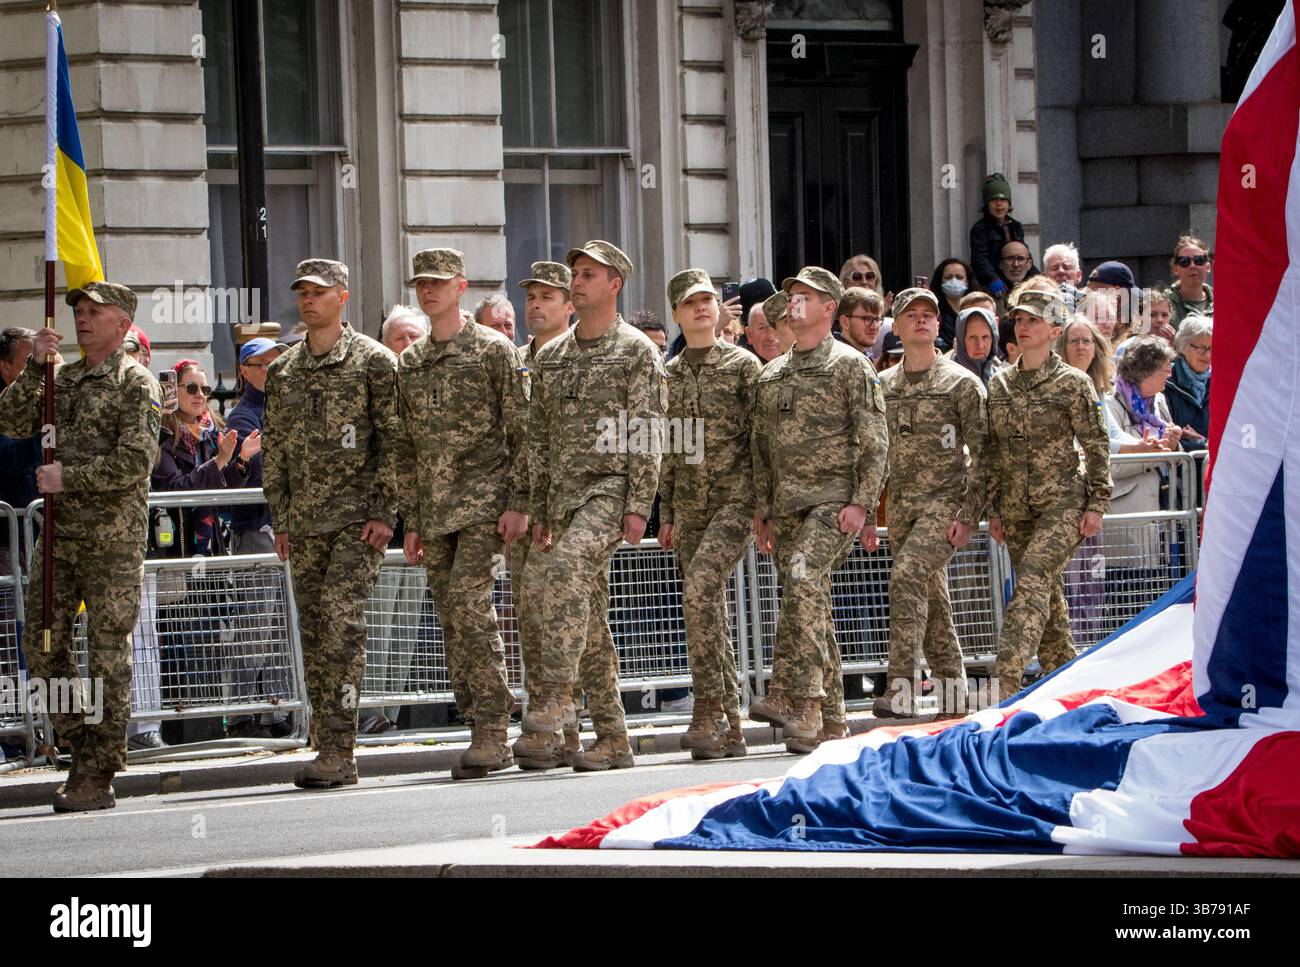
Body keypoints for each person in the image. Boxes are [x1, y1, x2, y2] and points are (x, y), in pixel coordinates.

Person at [0, 282, 162, 811]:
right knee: (42, 646)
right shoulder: (62, 378)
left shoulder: (136, 383)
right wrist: (33, 368)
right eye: (79, 312)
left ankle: (98, 771)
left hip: (112, 539)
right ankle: (79, 739)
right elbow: (9, 419)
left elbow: (136, 462)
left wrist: (68, 477)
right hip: (62, 535)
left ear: (122, 323)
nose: (83, 319)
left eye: (96, 312)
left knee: (109, 654)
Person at [521, 240, 664, 772]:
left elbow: (649, 433)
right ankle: (611, 736)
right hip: (562, 499)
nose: (576, 281)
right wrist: (538, 509)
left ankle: (556, 698)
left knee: (567, 568)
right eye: (575, 273)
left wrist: (639, 505)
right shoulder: (552, 356)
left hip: (610, 491)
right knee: (589, 617)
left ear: (614, 285)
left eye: (588, 274)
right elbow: (539, 438)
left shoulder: (636, 351)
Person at [262, 259, 401, 789]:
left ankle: (339, 748)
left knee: (341, 625)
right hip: (304, 524)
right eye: (301, 292)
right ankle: (328, 738)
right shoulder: (284, 370)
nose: (307, 300)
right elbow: (273, 452)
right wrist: (281, 517)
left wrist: (385, 511)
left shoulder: (374, 362)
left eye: (318, 292)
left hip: (356, 521)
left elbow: (393, 443)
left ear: (342, 297)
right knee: (315, 631)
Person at [396, 248, 526, 779]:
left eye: (438, 282)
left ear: (461, 287)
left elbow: (522, 431)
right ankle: (478, 720)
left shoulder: (494, 351)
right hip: (436, 508)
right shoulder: (412, 360)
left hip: (483, 503)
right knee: (452, 618)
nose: (428, 291)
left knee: (472, 606)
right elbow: (405, 446)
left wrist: (519, 501)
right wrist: (413, 518)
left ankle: (494, 728)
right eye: (421, 283)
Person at [750, 266, 888, 753]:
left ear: (830, 309)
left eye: (806, 296)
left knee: (803, 580)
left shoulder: (851, 366)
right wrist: (763, 510)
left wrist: (862, 504)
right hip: (787, 507)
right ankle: (833, 720)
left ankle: (801, 701)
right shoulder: (773, 373)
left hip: (833, 504)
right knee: (812, 605)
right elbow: (761, 447)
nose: (795, 303)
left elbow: (874, 442)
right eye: (792, 296)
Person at [986, 288, 1111, 702]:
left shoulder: (1073, 384)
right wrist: (997, 509)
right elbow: (994, 453)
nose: (1022, 327)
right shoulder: (1000, 384)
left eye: (1033, 321)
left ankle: (1004, 681)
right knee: (1047, 597)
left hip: (1063, 505)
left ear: (1054, 329)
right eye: (1019, 320)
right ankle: (1065, 684)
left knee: (1035, 579)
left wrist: (1096, 503)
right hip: (1019, 508)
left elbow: (1096, 445)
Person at [657, 269, 760, 759]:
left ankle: (707, 709)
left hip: (736, 501)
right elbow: (670, 450)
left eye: (707, 300)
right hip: (692, 507)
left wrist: (765, 505)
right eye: (690, 302)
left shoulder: (743, 367)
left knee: (700, 587)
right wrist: (670, 511)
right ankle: (730, 725)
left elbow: (762, 441)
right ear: (677, 314)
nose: (701, 307)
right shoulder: (668, 375)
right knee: (704, 606)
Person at [873, 288, 987, 718]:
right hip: (902, 509)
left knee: (906, 577)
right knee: (932, 601)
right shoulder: (883, 385)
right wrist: (868, 512)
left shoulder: (961, 383)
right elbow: (876, 455)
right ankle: (954, 696)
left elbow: (984, 455)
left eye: (929, 315)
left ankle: (900, 689)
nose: (921, 321)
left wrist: (969, 514)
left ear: (938, 326)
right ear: (897, 326)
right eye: (911, 315)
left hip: (945, 505)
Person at [508, 260, 590, 768]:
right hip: (523, 509)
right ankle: (553, 727)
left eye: (547, 296)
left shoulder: (585, 358)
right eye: (530, 296)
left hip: (569, 507)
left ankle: (571, 721)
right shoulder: (516, 361)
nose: (535, 305)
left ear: (569, 304)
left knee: (569, 618)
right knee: (532, 621)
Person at [0, 328, 40, 571]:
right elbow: (9, 458)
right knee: (13, 606)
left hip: (37, 531)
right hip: (8, 537)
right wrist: (42, 433)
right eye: (29, 362)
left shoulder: (41, 398)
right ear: (5, 368)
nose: (38, 369)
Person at [969, 173, 1025, 296]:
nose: (999, 204)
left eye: (1003, 200)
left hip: (1014, 282)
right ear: (987, 204)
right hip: (991, 286)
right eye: (994, 200)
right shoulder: (980, 229)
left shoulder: (1016, 226)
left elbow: (1024, 255)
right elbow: (979, 258)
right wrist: (992, 278)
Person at [1165, 314, 1212, 448]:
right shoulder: (1167, 382)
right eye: (1201, 348)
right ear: (1184, 347)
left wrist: (1203, 443)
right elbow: (1168, 436)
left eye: (1212, 348)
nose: (1208, 356)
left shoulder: (1219, 384)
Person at [927, 258, 978, 351]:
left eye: (959, 277)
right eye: (948, 277)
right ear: (940, 280)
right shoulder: (934, 310)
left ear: (967, 281)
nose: (954, 281)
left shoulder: (977, 307)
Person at [1163, 234, 1213, 327]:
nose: (1192, 266)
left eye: (1199, 260)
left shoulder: (1224, 302)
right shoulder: (1159, 302)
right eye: (1184, 261)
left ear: (1208, 267)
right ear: (1175, 269)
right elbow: (1139, 336)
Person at [951, 306, 1001, 386]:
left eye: (985, 337)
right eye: (972, 337)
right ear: (961, 340)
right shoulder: (947, 381)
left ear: (993, 339)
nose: (980, 346)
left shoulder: (1003, 381)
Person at [835, 286, 885, 360]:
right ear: (845, 322)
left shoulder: (863, 358)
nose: (874, 326)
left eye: (877, 319)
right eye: (867, 319)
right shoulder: (836, 358)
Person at [1042, 242, 1084, 312]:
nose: (1061, 271)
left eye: (1066, 267)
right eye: (1054, 268)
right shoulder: (1034, 307)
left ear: (1078, 276)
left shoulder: (1092, 307)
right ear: (1044, 277)